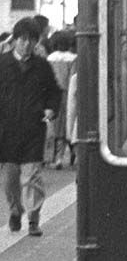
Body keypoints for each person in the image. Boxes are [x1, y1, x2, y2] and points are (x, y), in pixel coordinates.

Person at [0, 17, 62, 236]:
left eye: (32, 40)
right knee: (10, 178)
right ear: (15, 40)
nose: (27, 44)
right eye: (23, 39)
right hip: (6, 130)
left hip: (33, 128)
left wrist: (51, 108)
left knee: (32, 176)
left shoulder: (42, 66)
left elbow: (54, 91)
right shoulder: (2, 63)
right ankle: (15, 210)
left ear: (37, 42)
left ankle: (33, 219)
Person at [46, 30, 77, 167]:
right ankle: (67, 155)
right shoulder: (73, 58)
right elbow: (73, 78)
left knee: (53, 125)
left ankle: (52, 157)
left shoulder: (50, 58)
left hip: (51, 94)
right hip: (67, 94)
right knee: (66, 126)